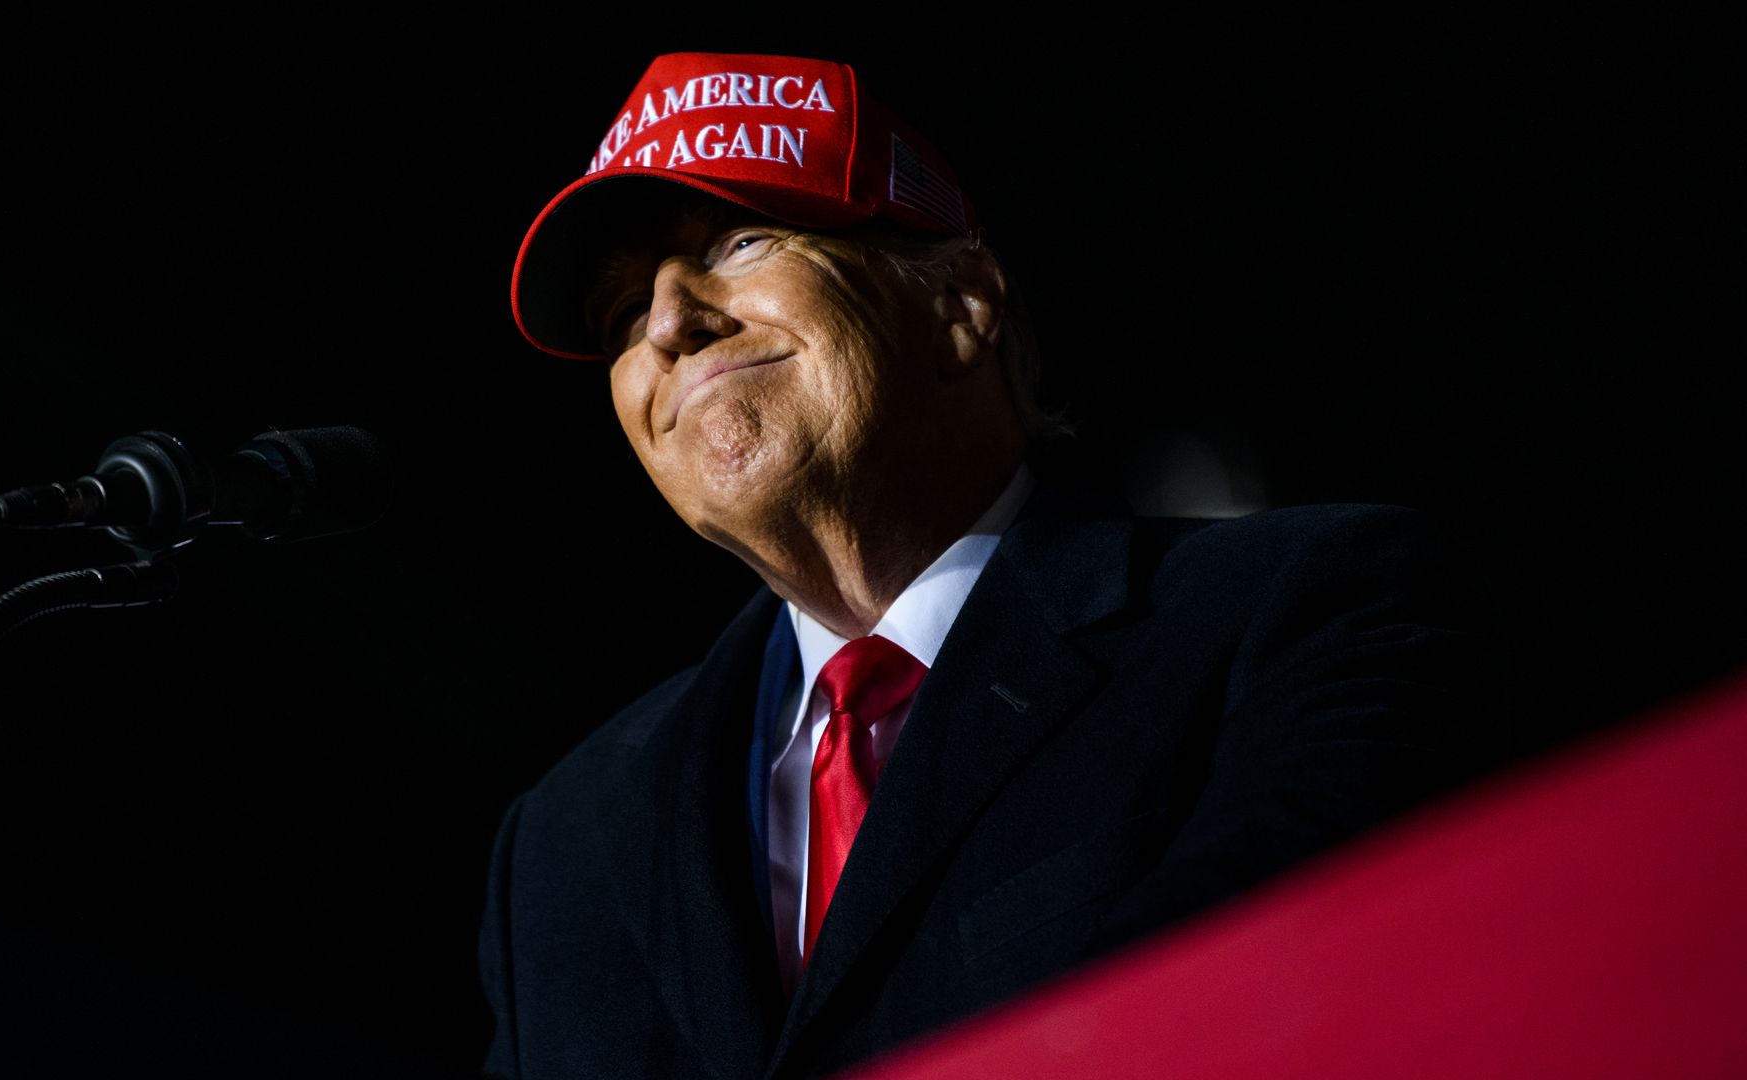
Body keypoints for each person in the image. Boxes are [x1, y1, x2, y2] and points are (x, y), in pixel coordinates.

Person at [483, 52, 1501, 1079]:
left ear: (962, 303)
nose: (667, 325)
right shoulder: (561, 845)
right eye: (622, 313)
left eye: (742, 240)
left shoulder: (1301, 610)